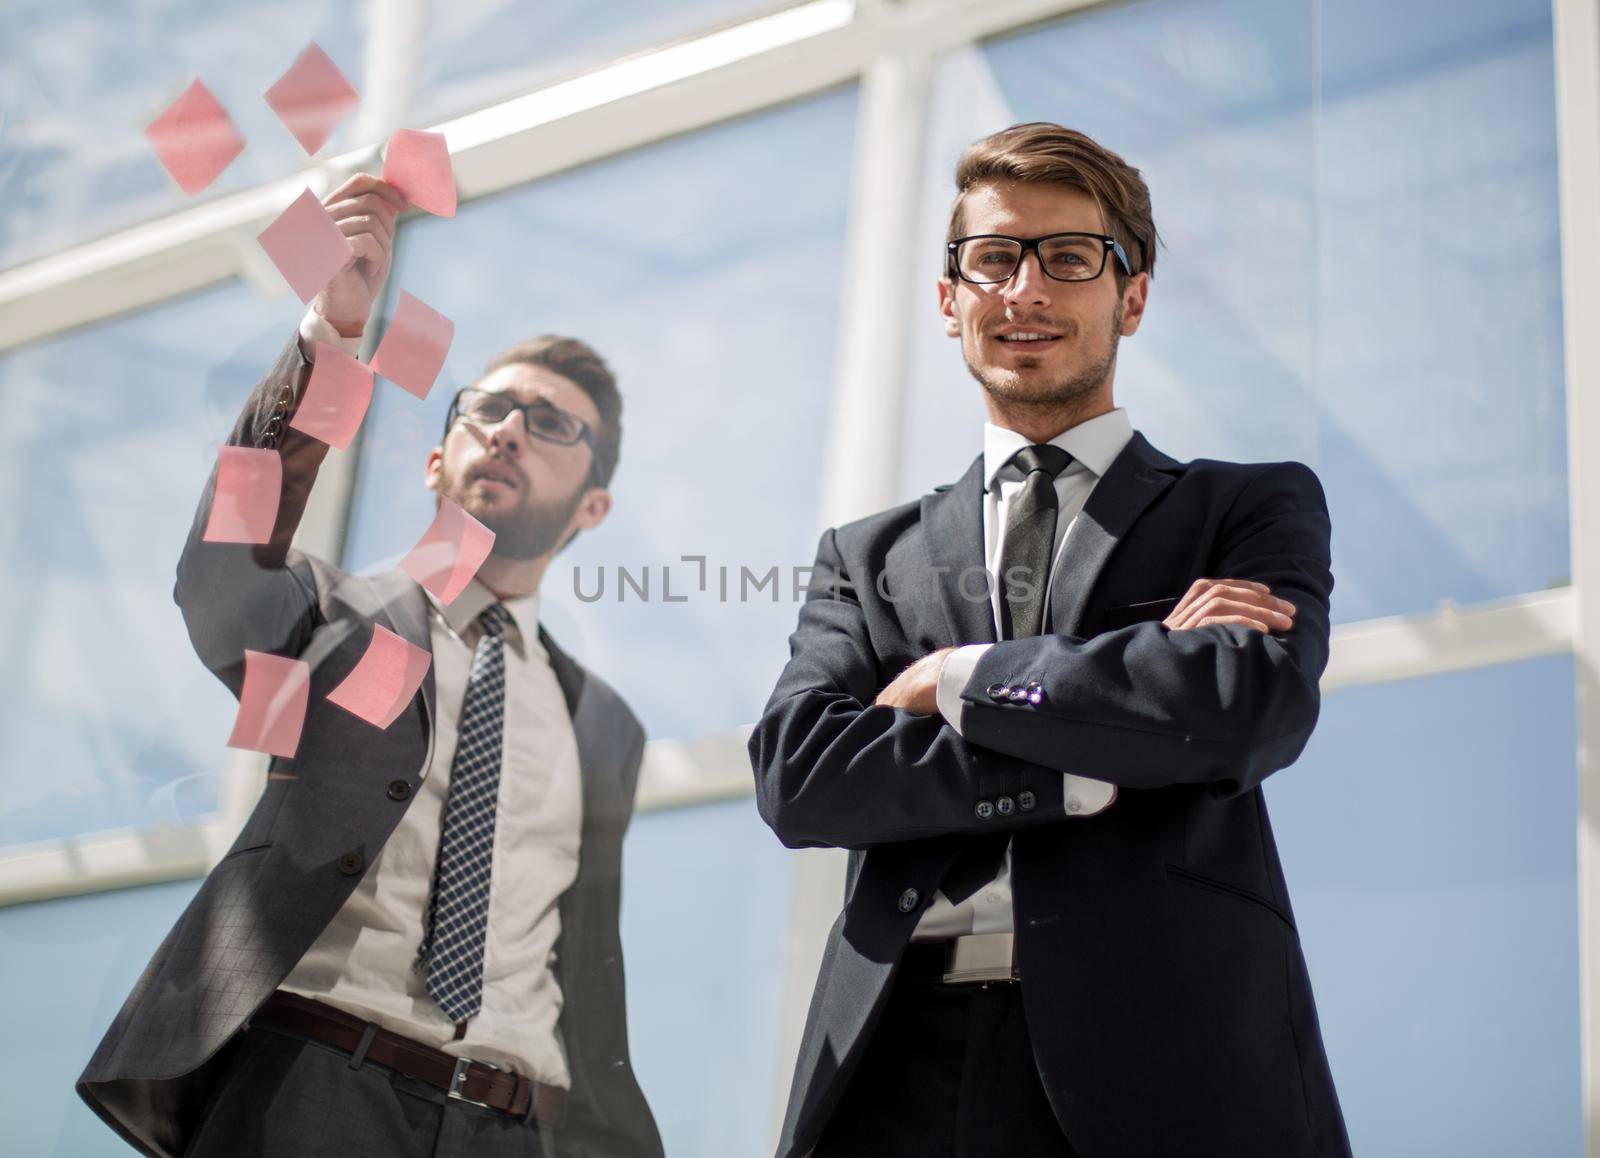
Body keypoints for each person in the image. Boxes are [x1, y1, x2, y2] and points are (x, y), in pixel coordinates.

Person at [749, 123, 1352, 1158]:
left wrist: (954, 677)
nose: (1024, 290)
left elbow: (1242, 706)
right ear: (949, 300)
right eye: (993, 258)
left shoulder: (1244, 508)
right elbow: (802, 776)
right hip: (891, 1065)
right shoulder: (865, 555)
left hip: (1165, 1061)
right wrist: (1087, 755)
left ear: (1132, 295)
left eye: (1068, 257)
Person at [76, 173, 663, 1158]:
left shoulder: (604, 724)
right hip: (311, 1093)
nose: (512, 430)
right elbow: (223, 569)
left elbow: (584, 962)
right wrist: (332, 337)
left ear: (591, 507)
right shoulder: (333, 619)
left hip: (515, 1124)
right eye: (489, 410)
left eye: (552, 425)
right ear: (438, 461)